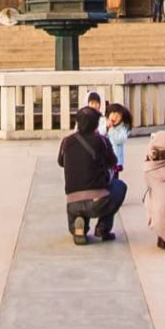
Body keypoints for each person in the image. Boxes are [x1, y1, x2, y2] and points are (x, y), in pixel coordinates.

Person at [58, 107, 124, 245]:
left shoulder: (66, 141)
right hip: (98, 201)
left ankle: (78, 227)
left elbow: (61, 162)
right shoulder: (102, 141)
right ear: (95, 124)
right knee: (119, 186)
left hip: (73, 202)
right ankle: (103, 227)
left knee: (78, 205)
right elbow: (113, 162)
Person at [102, 103, 133, 178]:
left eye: (118, 115)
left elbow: (119, 140)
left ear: (122, 118)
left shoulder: (123, 128)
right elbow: (100, 134)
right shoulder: (104, 123)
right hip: (104, 158)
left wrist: (111, 129)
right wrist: (106, 127)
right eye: (112, 114)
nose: (114, 117)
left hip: (115, 160)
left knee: (114, 179)